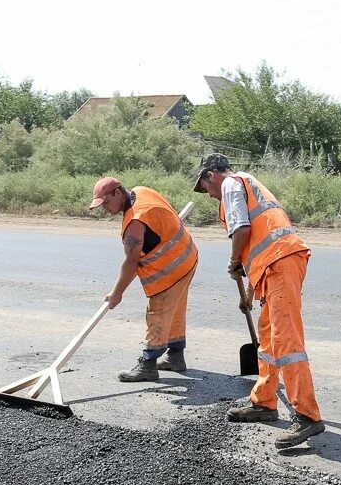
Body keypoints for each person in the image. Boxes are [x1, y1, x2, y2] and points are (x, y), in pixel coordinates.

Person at [193, 153, 324, 449]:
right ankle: (264, 402)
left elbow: (241, 229)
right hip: (274, 265)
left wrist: (233, 261)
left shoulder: (229, 185)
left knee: (286, 340)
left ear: (211, 175)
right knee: (267, 336)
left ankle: (307, 415)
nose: (209, 195)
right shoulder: (247, 183)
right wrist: (250, 295)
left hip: (281, 263)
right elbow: (258, 238)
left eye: (205, 188)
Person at [90, 176, 197, 381]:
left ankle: (148, 365)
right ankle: (176, 357)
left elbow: (131, 262)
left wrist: (117, 293)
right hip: (187, 256)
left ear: (118, 193)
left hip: (169, 270)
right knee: (174, 311)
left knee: (157, 312)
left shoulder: (135, 221)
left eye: (106, 202)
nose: (105, 208)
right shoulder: (142, 192)